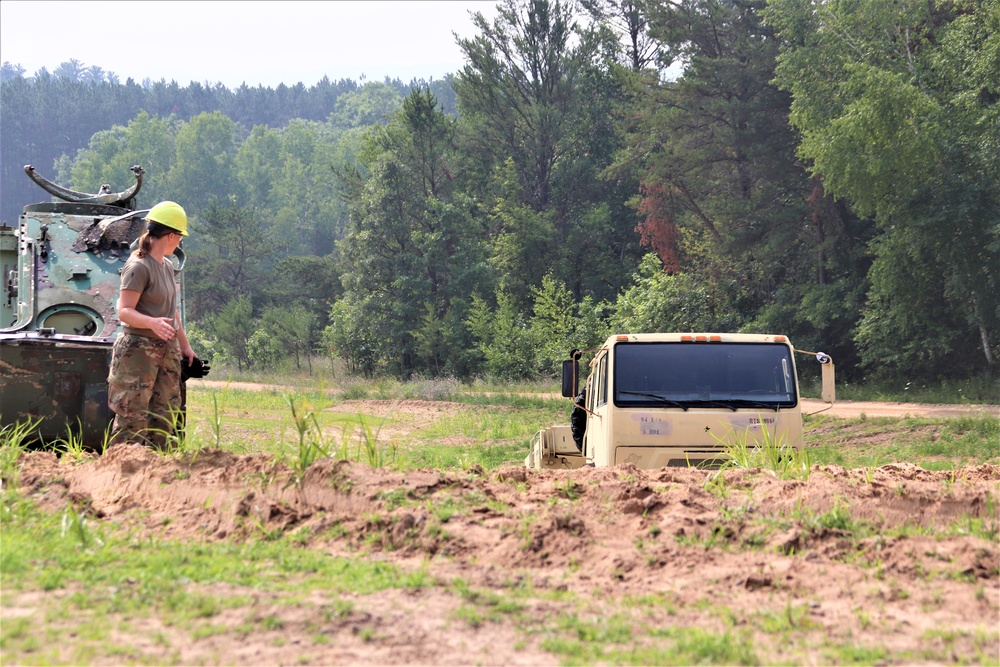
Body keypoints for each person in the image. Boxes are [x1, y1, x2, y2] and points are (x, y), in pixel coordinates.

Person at [107, 201, 196, 448]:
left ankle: (159, 474)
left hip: (166, 349)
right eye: (180, 237)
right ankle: (122, 473)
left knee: (166, 414)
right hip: (138, 351)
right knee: (132, 416)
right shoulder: (138, 266)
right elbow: (124, 311)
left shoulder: (166, 266)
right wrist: (152, 323)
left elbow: (171, 312)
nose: (179, 242)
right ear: (170, 236)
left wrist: (185, 347)